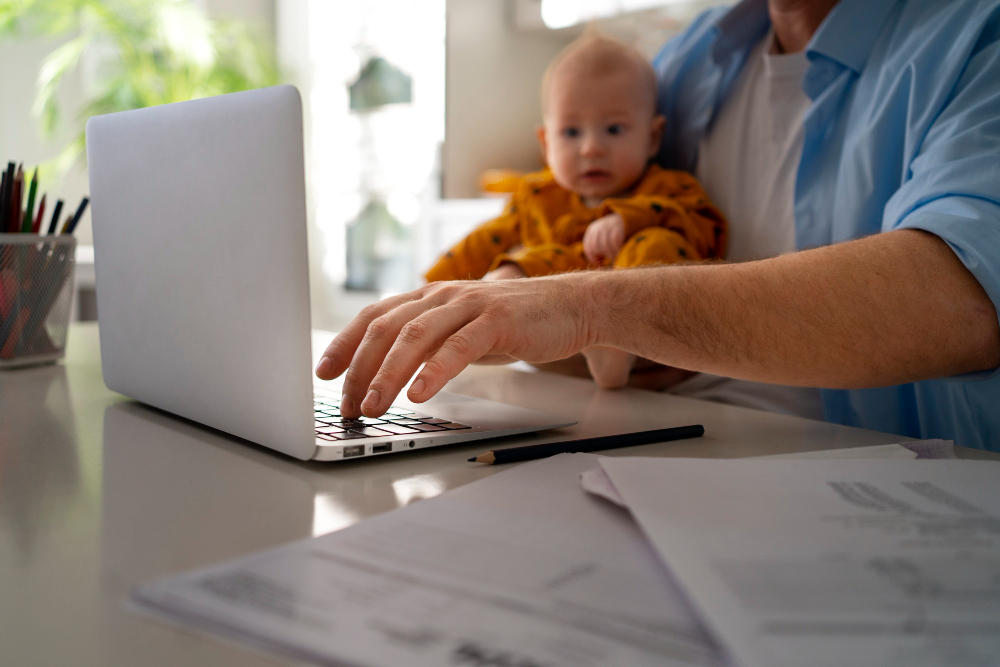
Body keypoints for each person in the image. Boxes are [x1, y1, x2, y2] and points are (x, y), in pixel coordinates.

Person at [317, 0, 1000, 450]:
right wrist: (503, 303)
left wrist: (595, 304)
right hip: (656, 444)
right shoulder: (697, 54)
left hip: (887, 486)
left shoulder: (976, 37)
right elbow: (612, 286)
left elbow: (961, 299)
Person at [424, 33, 727, 388]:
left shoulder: (667, 187)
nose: (591, 148)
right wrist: (435, 286)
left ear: (653, 137)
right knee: (518, 268)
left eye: (614, 129)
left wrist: (630, 219)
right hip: (553, 336)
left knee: (656, 244)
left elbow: (705, 227)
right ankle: (468, 327)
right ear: (545, 143)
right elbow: (485, 240)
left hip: (643, 328)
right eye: (570, 132)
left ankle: (617, 344)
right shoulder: (538, 194)